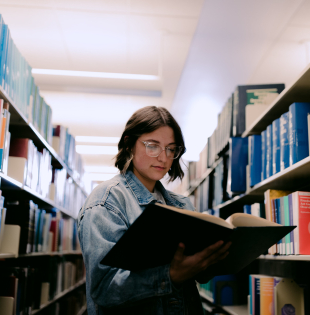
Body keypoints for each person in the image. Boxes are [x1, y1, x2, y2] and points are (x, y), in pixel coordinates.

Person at [77, 106, 231, 315]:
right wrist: (171, 275)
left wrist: (213, 257)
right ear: (129, 144)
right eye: (153, 146)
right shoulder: (106, 202)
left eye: (170, 149)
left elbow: (199, 276)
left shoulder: (182, 205)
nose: (163, 157)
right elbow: (104, 289)